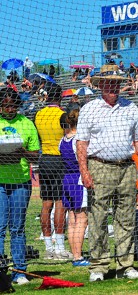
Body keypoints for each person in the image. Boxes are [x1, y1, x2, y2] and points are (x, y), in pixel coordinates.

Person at [76, 64, 138, 281]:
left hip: (127, 167)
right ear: (100, 85)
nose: (113, 87)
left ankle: (125, 265)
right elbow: (81, 143)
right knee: (97, 218)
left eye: (116, 83)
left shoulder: (131, 107)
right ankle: (98, 266)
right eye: (109, 83)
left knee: (126, 218)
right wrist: (85, 171)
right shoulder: (89, 109)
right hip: (99, 166)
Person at [0, 88, 40, 285]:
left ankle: (19, 271)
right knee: (0, 226)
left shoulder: (26, 124)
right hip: (0, 182)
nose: (9, 109)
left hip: (21, 182)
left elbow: (36, 155)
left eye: (12, 105)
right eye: (5, 105)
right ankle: (1, 270)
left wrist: (21, 151)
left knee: (17, 227)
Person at [34, 83, 71, 260]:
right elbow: (68, 137)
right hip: (59, 160)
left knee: (45, 204)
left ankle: (48, 247)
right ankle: (60, 247)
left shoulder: (39, 114)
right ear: (61, 97)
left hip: (44, 160)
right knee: (60, 204)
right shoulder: (62, 115)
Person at [58, 110, 90, 267]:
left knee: (72, 219)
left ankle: (75, 254)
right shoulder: (77, 139)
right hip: (78, 179)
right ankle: (78, 256)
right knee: (81, 219)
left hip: (67, 180)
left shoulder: (62, 140)